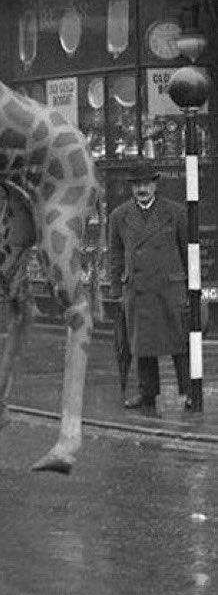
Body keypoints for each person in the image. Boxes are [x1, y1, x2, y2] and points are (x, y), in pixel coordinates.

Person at [108, 166, 190, 417]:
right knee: (142, 343)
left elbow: (188, 251)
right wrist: (116, 288)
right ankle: (147, 392)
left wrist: (192, 287)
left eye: (146, 184)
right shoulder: (119, 216)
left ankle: (188, 391)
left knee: (179, 340)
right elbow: (115, 254)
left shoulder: (176, 212)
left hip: (170, 286)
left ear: (155, 185)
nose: (141, 189)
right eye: (136, 185)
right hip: (138, 288)